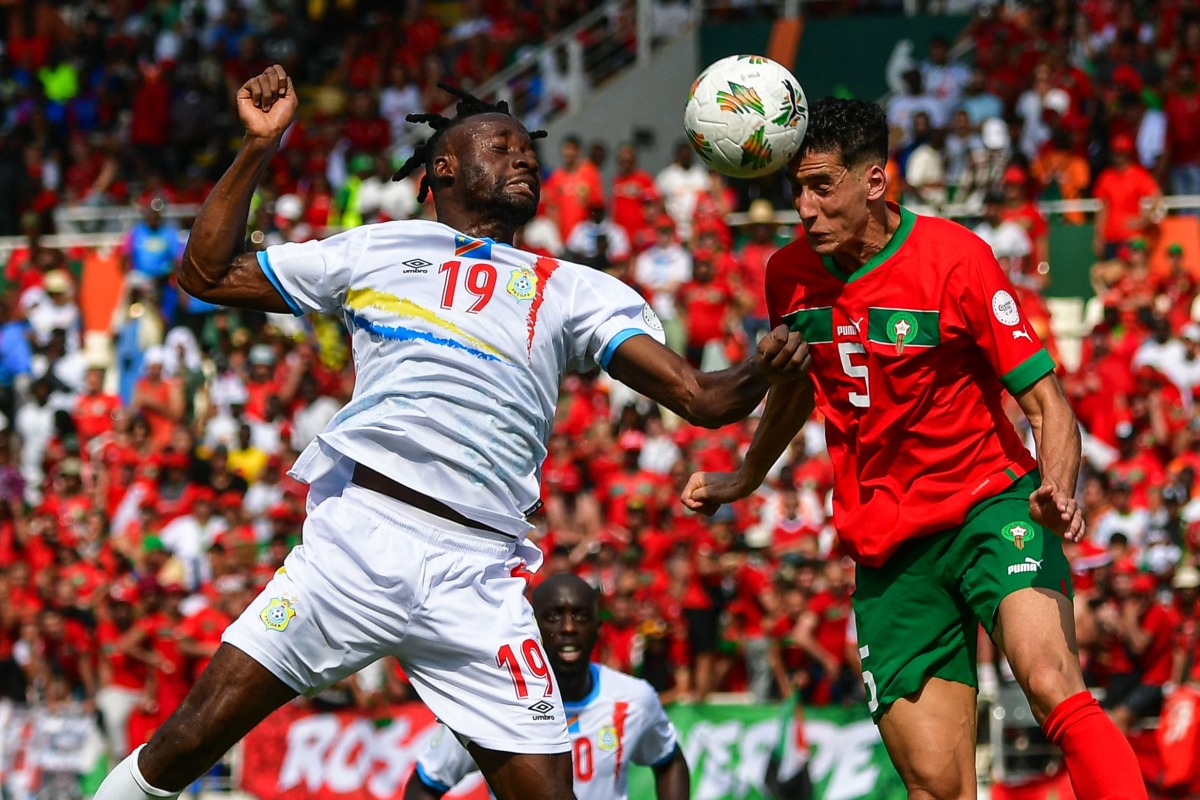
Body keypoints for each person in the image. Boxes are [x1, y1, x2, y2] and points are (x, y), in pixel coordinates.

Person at [93, 65, 809, 800]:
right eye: (501, 146)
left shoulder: (575, 288)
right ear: (444, 167)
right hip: (357, 543)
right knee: (184, 744)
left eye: (527, 148)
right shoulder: (373, 249)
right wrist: (258, 146)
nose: (524, 156)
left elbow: (700, 398)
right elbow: (205, 273)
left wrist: (765, 366)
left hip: (482, 577)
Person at [681, 97, 1148, 800]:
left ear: (874, 182)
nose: (804, 207)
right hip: (887, 542)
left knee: (1052, 682)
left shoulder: (956, 259)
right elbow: (801, 386)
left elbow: (1048, 403)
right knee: (936, 785)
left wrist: (1057, 486)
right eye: (796, 189)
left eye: (821, 186)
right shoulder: (788, 275)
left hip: (991, 506)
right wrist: (745, 476)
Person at [404, 573, 690, 800]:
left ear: (598, 626)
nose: (568, 628)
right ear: (531, 626)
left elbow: (669, 761)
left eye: (580, 616)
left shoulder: (634, 699)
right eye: (554, 616)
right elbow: (426, 784)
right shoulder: (493, 703)